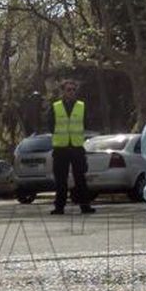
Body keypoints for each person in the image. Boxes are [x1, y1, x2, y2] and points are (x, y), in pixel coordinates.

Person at [45, 78, 95, 214]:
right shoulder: (55, 107)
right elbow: (50, 124)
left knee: (81, 178)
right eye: (68, 90)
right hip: (61, 148)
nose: (72, 92)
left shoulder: (81, 106)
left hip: (77, 147)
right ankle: (59, 207)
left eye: (73, 90)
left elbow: (85, 123)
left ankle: (85, 206)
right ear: (63, 92)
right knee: (61, 180)